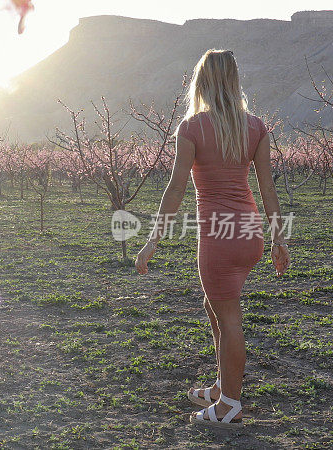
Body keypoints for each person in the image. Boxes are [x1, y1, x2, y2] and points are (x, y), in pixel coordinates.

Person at [134, 49, 291, 428]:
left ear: (201, 81)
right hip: (249, 231)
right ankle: (224, 386)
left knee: (228, 315)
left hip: (219, 238)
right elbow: (267, 188)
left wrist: (152, 240)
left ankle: (229, 407)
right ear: (234, 81)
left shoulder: (192, 128)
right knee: (216, 306)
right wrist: (277, 239)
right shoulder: (255, 126)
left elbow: (175, 190)